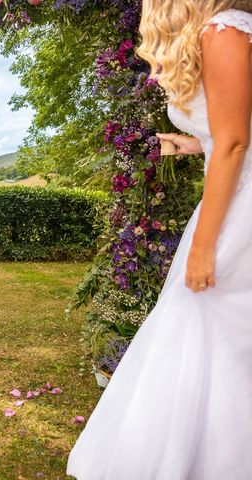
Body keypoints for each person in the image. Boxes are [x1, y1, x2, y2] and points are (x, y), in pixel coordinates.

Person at [67, 3, 252, 479]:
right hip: (230, 203)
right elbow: (230, 136)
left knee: (207, 326)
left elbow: (235, 144)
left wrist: (205, 245)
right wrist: (195, 143)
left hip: (237, 214)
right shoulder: (222, 32)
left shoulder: (226, 29)